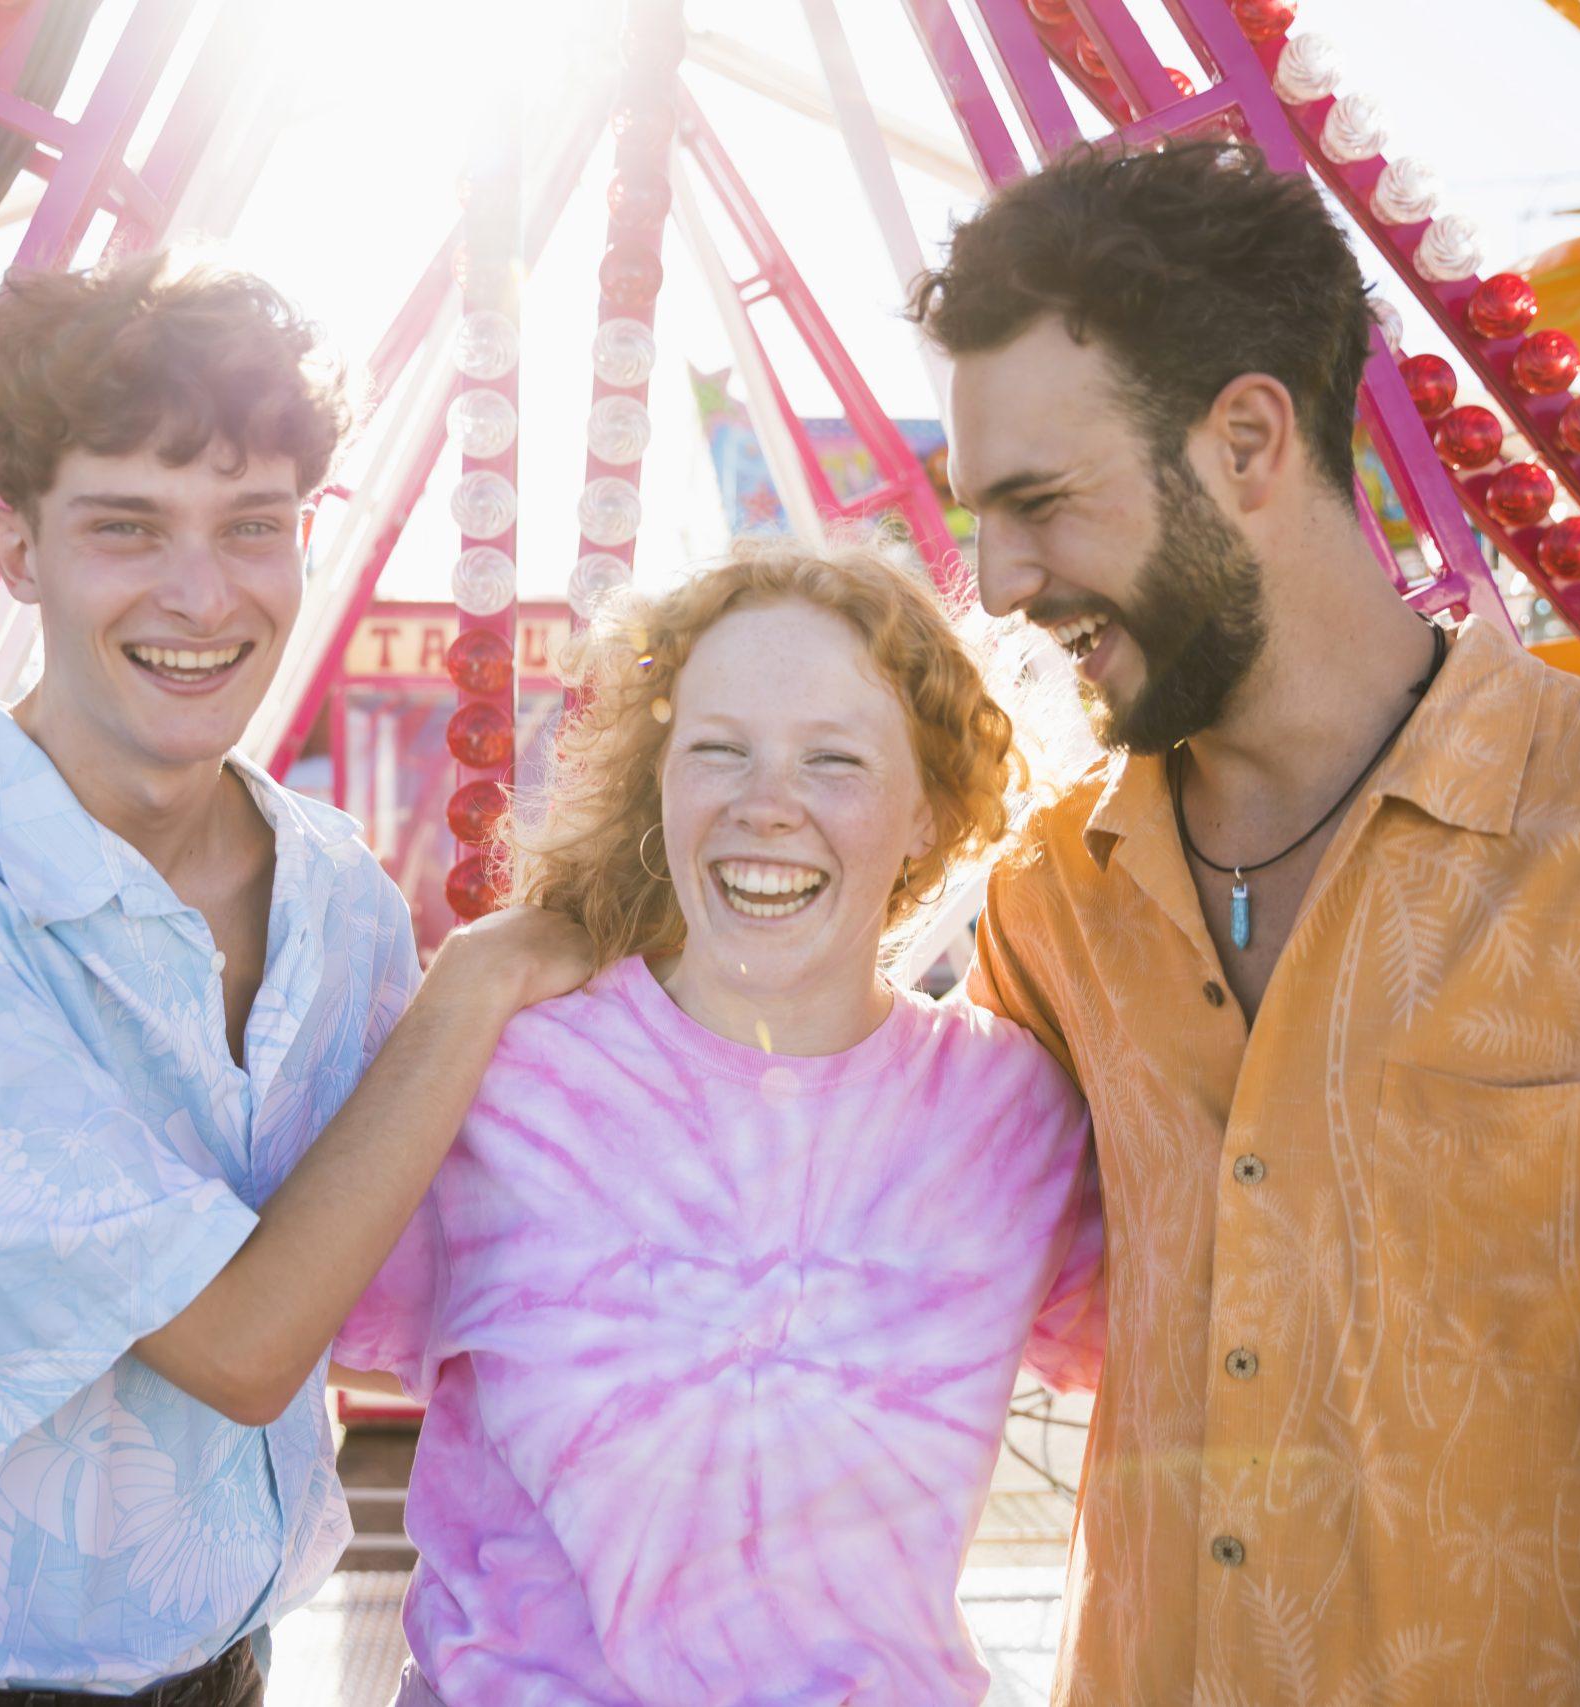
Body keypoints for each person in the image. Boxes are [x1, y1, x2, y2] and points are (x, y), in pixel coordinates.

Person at [914, 139, 1580, 1706]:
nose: (999, 579)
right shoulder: (1052, 897)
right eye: (978, 514)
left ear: (1247, 441)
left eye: (1040, 502)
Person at [0, 255, 587, 1705]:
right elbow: (243, 1343)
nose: (203, 594)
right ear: (16, 546)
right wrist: (480, 986)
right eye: (128, 527)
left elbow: (443, 1260)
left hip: (222, 1664)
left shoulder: (333, 892)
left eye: (251, 525)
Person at [332, 540, 1104, 1706]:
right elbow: (285, 1326)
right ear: (658, 784)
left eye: (834, 761)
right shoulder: (506, 1073)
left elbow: (1199, 1366)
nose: (766, 807)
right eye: (718, 750)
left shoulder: (1013, 1114)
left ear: (928, 815)